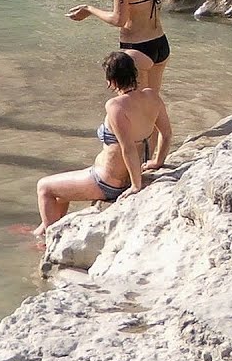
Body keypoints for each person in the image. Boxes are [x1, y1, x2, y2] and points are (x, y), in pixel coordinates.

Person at [31, 50, 173, 236]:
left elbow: (128, 147)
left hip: (108, 181)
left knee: (44, 187)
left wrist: (136, 186)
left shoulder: (116, 106)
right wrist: (157, 161)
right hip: (123, 176)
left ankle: (49, 242)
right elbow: (167, 133)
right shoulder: (152, 97)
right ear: (134, 73)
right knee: (62, 192)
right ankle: (42, 230)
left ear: (111, 80)